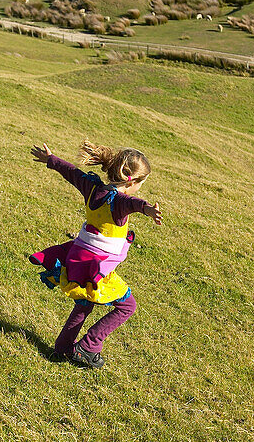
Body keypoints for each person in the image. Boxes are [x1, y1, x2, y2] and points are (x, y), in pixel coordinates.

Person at [29, 140, 162, 368]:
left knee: (83, 303)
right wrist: (147, 208)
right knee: (127, 306)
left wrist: (52, 160)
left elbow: (71, 172)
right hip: (94, 266)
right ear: (133, 181)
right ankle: (88, 346)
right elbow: (133, 203)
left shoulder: (92, 187)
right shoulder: (119, 202)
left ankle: (63, 348)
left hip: (77, 258)